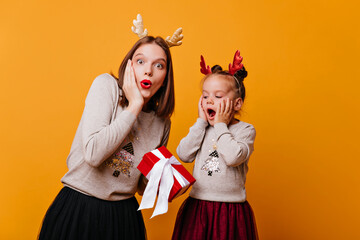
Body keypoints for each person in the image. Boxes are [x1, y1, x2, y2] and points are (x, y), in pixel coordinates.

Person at [38, 14, 183, 240]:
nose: (148, 71)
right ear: (128, 66)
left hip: (123, 218)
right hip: (79, 207)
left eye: (159, 65)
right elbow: (94, 154)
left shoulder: (162, 123)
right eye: (141, 61)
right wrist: (135, 105)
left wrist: (165, 180)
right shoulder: (106, 86)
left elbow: (142, 188)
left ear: (165, 78)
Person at [172, 51, 258, 240]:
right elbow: (184, 154)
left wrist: (220, 125)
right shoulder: (202, 128)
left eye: (218, 96)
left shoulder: (245, 130)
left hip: (230, 210)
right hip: (198, 207)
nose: (209, 100)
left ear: (237, 104)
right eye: (205, 96)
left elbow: (234, 157)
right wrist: (200, 123)